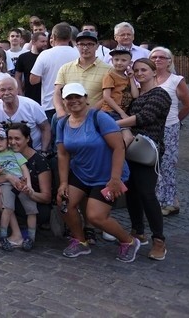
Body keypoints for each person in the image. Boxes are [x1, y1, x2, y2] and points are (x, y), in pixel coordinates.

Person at [55, 83, 138, 262]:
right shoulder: (62, 123)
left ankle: (129, 241)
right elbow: (63, 154)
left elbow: (118, 148)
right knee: (64, 202)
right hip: (82, 172)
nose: (74, 101)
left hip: (108, 175)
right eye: (69, 98)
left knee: (96, 216)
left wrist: (115, 179)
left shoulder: (99, 118)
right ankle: (80, 240)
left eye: (78, 96)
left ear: (86, 98)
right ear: (64, 101)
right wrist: (63, 183)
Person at [116, 59, 171, 260]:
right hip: (131, 149)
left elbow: (145, 117)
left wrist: (114, 124)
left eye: (144, 70)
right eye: (137, 70)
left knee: (147, 194)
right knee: (132, 192)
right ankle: (138, 231)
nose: (140, 73)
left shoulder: (161, 94)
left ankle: (159, 241)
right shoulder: (138, 95)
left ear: (153, 72)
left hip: (148, 151)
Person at [149, 46, 189, 216]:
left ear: (169, 61)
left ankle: (168, 202)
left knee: (167, 165)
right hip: (149, 128)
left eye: (162, 57)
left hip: (169, 128)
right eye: (154, 57)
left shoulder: (176, 80)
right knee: (152, 165)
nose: (158, 60)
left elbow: (188, 105)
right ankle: (158, 199)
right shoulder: (145, 78)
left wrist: (176, 121)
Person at [0, 123, 52, 246]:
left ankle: (27, 236)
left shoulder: (39, 161)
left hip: (36, 205)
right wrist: (7, 176)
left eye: (17, 138)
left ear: (27, 139)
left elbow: (47, 197)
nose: (12, 142)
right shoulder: (6, 155)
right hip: (14, 199)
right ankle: (15, 233)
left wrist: (30, 193)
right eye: (10, 138)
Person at [0, 129, 34, 251]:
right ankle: (3, 235)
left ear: (7, 141)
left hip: (21, 183)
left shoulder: (15, 154)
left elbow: (24, 169)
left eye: (1, 140)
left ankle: (31, 238)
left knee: (31, 209)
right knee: (8, 207)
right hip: (5, 184)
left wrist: (29, 184)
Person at [53, 30, 111, 119]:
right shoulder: (65, 68)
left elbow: (108, 96)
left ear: (97, 46)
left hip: (94, 118)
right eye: (81, 44)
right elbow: (57, 93)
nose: (85, 48)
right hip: (68, 117)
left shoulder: (108, 70)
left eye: (90, 44)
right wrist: (60, 110)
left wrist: (89, 113)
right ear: (77, 46)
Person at [0, 76, 52, 153]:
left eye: (10, 89)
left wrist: (43, 151)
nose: (6, 93)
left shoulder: (32, 106)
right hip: (8, 152)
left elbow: (46, 128)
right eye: (2, 90)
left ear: (17, 90)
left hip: (34, 150)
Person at [30, 22, 79, 121]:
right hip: (75, 102)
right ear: (70, 37)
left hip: (50, 103)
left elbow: (33, 80)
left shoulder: (45, 54)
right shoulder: (78, 54)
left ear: (53, 36)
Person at [101, 48, 139, 145]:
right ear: (112, 61)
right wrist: (122, 113)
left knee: (124, 138)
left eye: (123, 60)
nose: (119, 63)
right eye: (116, 59)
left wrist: (131, 78)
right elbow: (106, 97)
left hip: (120, 113)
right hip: (110, 112)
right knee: (128, 137)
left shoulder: (127, 78)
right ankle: (118, 159)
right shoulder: (110, 75)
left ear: (130, 63)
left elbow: (135, 95)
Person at [15, 31, 47, 104]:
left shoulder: (48, 56)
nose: (45, 44)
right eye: (42, 41)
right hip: (29, 96)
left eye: (46, 41)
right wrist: (20, 93)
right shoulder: (23, 57)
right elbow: (17, 77)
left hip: (46, 96)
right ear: (33, 42)